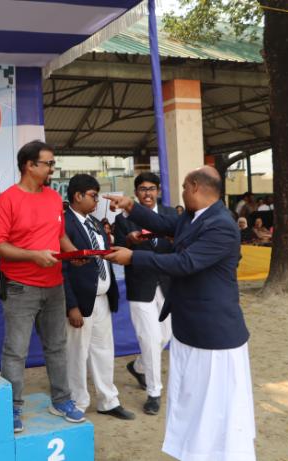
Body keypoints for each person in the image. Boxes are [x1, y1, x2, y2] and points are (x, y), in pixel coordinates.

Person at [104, 166, 255, 461]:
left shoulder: (221, 225)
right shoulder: (193, 216)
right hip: (190, 328)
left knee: (216, 407)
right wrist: (130, 206)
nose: (182, 192)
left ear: (196, 186)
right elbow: (162, 223)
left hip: (214, 333)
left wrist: (134, 257)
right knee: (192, 401)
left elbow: (185, 263)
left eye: (185, 187)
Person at [0, 140, 86, 433]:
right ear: (29, 165)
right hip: (19, 287)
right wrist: (33, 255)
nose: (53, 168)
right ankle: (12, 407)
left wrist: (74, 254)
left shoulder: (54, 198)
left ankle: (62, 400)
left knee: (57, 347)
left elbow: (59, 236)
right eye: (48, 163)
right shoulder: (6, 201)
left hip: (55, 285)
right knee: (16, 350)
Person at [62, 174, 135, 421]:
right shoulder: (64, 224)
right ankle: (77, 401)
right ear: (78, 196)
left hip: (102, 297)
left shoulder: (94, 222)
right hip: (80, 300)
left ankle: (108, 400)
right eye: (93, 196)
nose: (96, 201)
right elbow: (61, 269)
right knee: (77, 353)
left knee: (104, 350)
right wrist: (71, 305)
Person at [113, 172, 174, 415]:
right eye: (142, 189)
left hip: (168, 284)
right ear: (136, 192)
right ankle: (154, 392)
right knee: (149, 339)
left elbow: (181, 245)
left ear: (158, 191)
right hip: (140, 285)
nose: (147, 193)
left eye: (151, 189)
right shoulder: (123, 219)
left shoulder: (171, 215)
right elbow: (118, 251)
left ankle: (138, 366)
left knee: (164, 336)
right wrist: (129, 242)